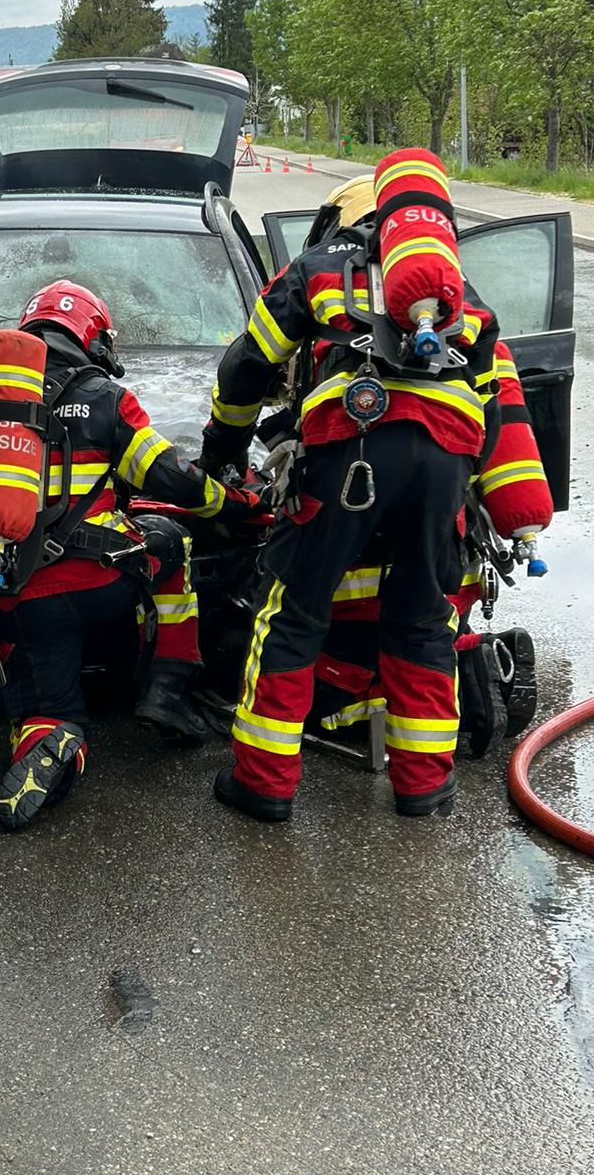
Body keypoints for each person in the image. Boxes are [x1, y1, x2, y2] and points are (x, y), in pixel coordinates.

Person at [0, 279, 261, 831]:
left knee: (44, 712)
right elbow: (171, 479)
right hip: (103, 580)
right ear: (93, 340)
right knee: (170, 541)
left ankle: (51, 741)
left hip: (17, 595)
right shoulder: (108, 401)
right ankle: (167, 687)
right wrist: (236, 503)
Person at [200, 155, 500, 821]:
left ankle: (263, 784)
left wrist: (222, 448)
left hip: (351, 443)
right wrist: (462, 490)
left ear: (339, 219)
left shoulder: (318, 267)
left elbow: (249, 365)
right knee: (424, 619)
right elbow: (496, 404)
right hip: (447, 456)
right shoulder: (460, 289)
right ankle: (423, 789)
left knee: (294, 610)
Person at [311, 336, 551, 755]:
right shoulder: (479, 341)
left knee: (324, 671)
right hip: (447, 561)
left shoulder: (335, 341)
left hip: (353, 582)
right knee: (429, 641)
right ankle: (475, 664)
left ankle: (461, 687)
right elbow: (501, 456)